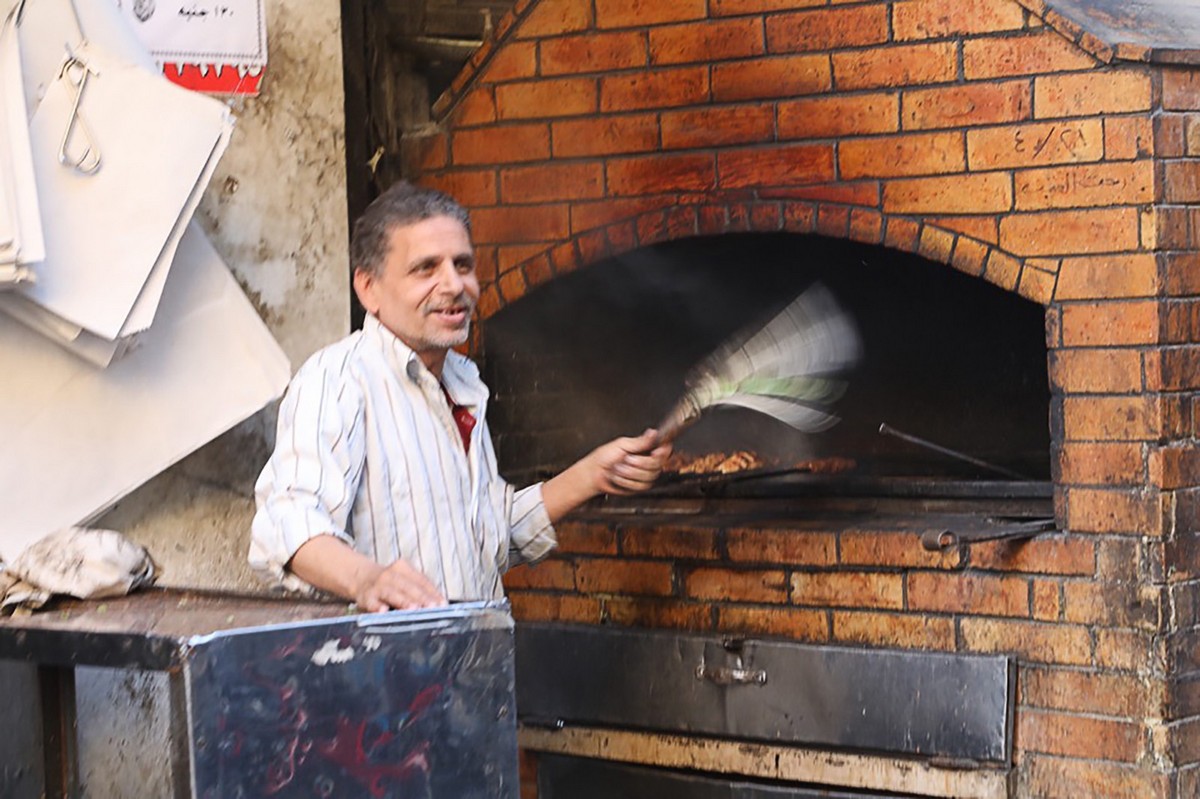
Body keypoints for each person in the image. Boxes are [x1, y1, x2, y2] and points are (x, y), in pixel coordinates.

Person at [249, 181, 671, 611]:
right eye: (426, 268)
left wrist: (592, 475)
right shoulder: (338, 380)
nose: (454, 285)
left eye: (463, 265)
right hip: (387, 667)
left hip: (473, 662)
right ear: (368, 289)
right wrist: (366, 579)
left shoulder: (460, 381)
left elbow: (485, 539)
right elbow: (286, 523)